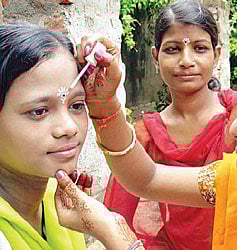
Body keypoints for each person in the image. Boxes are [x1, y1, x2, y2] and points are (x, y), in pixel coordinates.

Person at [56, 30, 237, 249]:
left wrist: (114, 233)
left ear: (216, 54)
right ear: (156, 57)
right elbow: (148, 179)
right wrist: (104, 104)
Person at [103, 1, 237, 249]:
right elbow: (118, 214)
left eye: (200, 48)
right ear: (155, 56)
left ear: (217, 55)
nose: (186, 61)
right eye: (173, 49)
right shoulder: (148, 134)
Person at [0, 22, 145, 250]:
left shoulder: (59, 202)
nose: (69, 127)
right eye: (39, 111)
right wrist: (113, 230)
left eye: (77, 105)